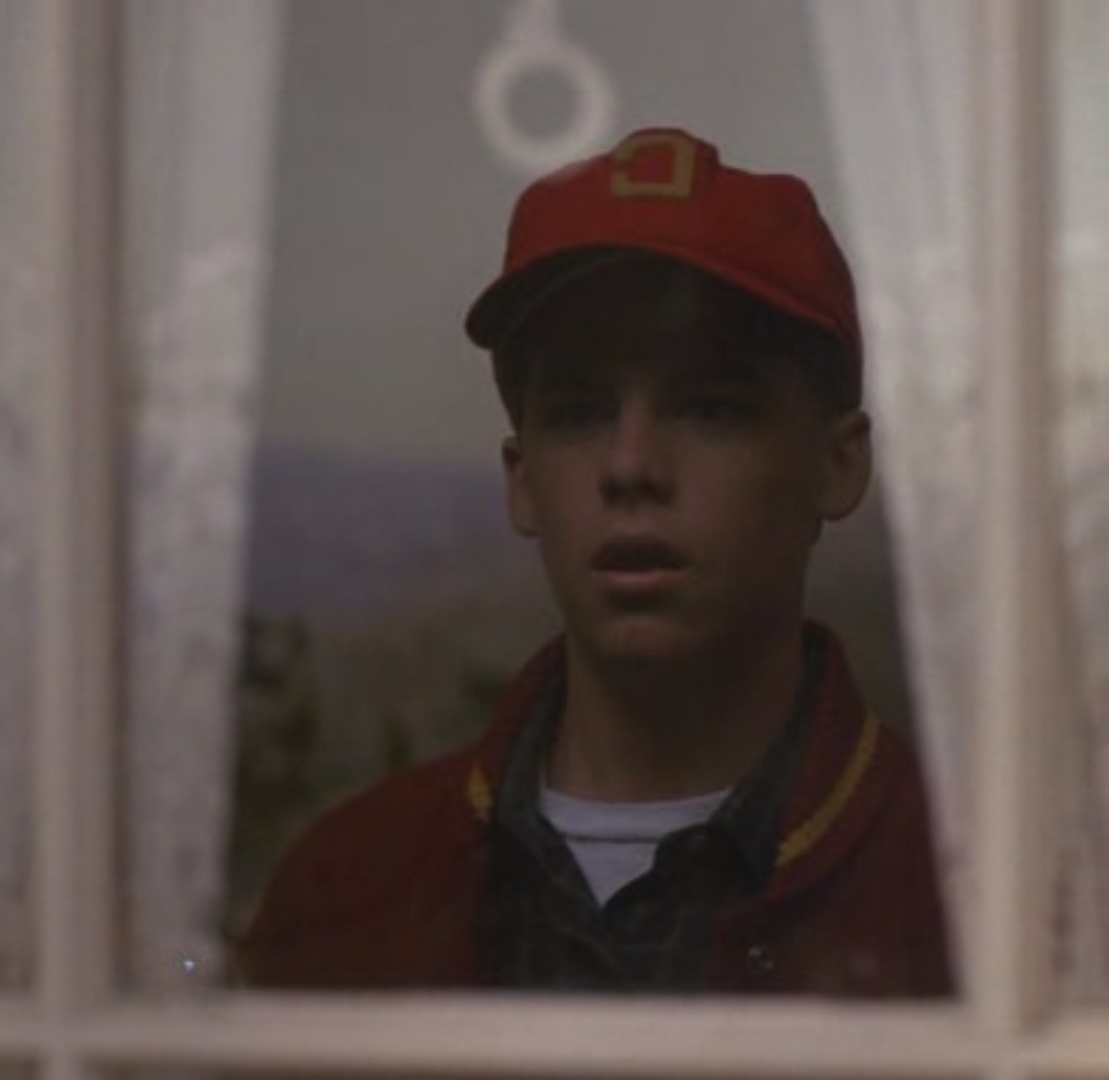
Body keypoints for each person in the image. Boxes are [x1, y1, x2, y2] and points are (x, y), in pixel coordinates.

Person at [235, 127, 953, 996]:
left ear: (836, 465)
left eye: (712, 407)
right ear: (522, 480)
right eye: (578, 413)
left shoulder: (970, 892)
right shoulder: (351, 886)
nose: (630, 465)